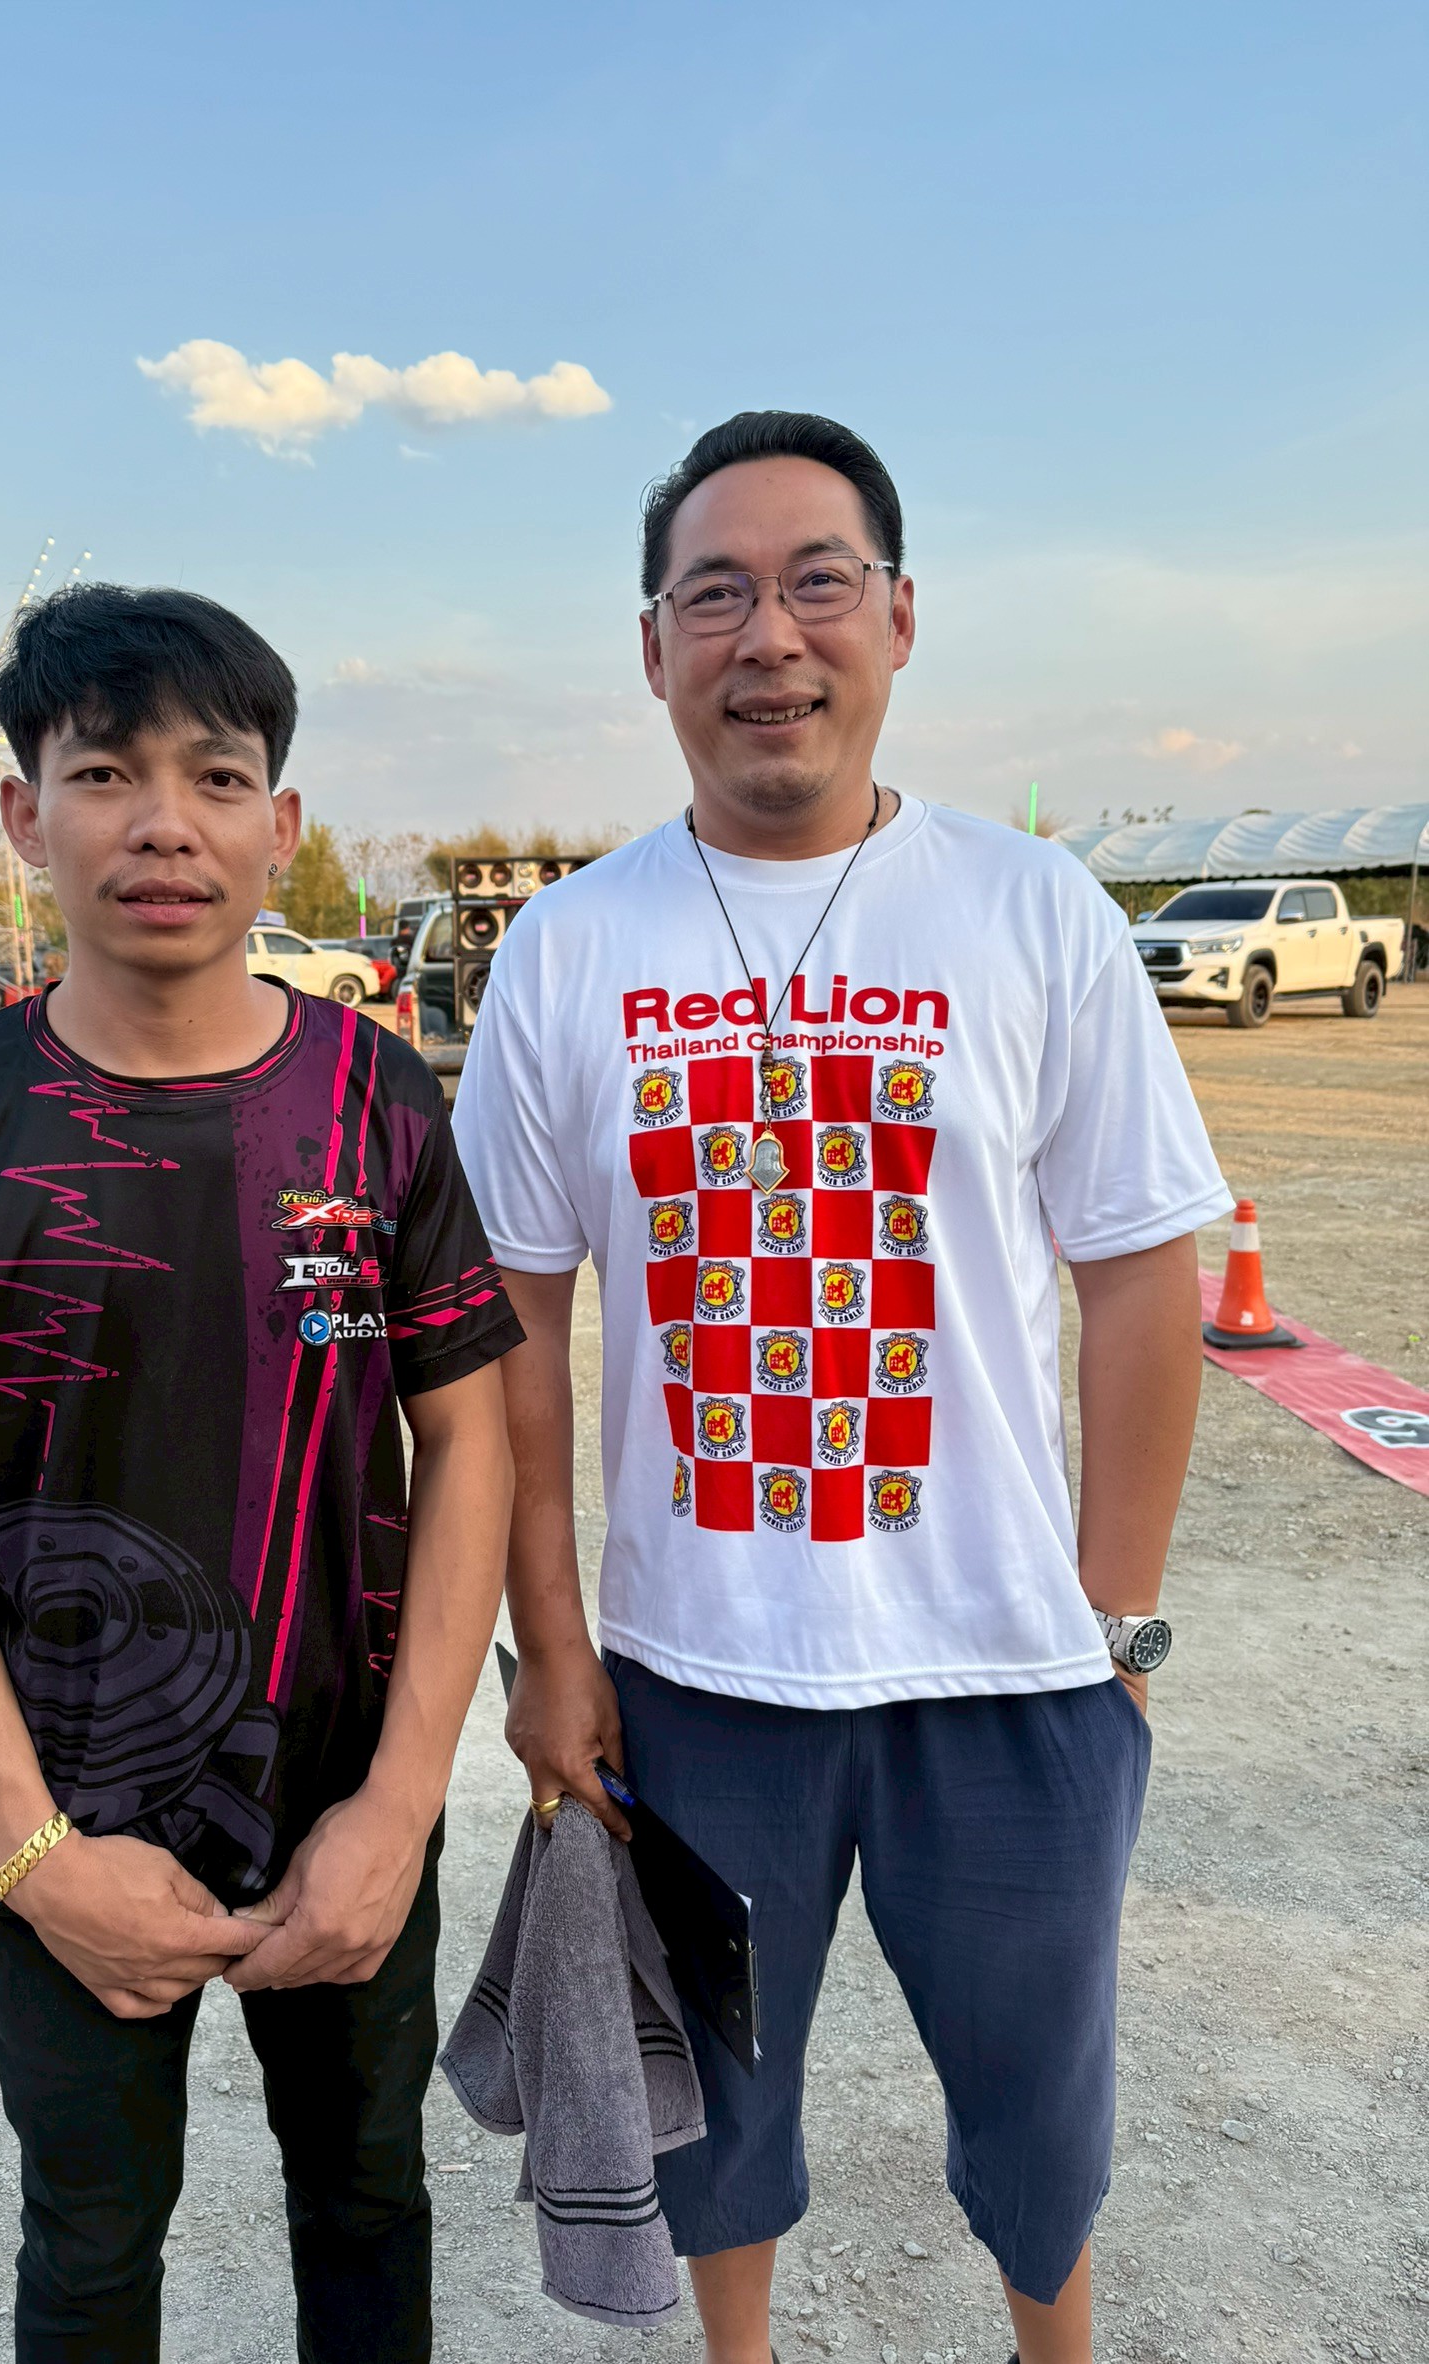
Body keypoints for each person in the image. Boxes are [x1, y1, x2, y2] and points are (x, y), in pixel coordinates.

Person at [452, 412, 1230, 2364]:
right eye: (713, 593)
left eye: (817, 581)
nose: (767, 636)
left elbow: (1140, 1271)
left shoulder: (1030, 912)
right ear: (652, 648)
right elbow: (507, 1327)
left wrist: (1115, 1625)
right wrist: (551, 1650)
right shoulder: (568, 948)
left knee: (1040, 2111)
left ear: (896, 617)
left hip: (1009, 1674)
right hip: (693, 1677)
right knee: (714, 2114)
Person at [0, 583, 522, 2364]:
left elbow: (469, 1442)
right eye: (105, 772)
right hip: (68, 1814)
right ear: (25, 813)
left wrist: (399, 1806)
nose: (163, 823)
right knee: (92, 2242)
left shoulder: (378, 1099)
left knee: (367, 2201)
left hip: (347, 1806)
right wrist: (32, 1855)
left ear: (281, 822)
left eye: (216, 776)